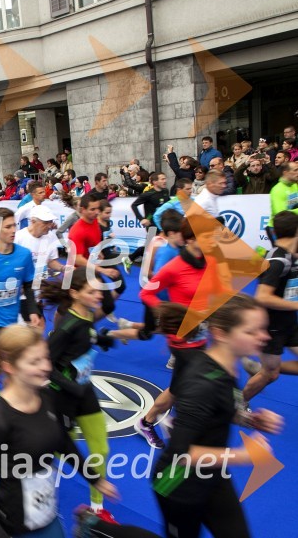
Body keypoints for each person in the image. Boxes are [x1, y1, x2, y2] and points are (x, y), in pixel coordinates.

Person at [0, 325, 120, 538]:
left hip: (48, 518)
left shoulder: (46, 396)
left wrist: (95, 479)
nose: (46, 367)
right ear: (9, 366)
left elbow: (62, 442)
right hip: (13, 528)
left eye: (45, 358)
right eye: (34, 362)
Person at [151, 296, 283, 538]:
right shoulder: (201, 383)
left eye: (263, 328)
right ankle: (97, 528)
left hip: (212, 472)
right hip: (176, 483)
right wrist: (244, 455)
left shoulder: (226, 365)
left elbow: (222, 407)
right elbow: (180, 454)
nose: (265, 337)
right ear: (221, 333)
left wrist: (249, 419)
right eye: (252, 331)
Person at [136, 215, 231, 447]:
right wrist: (170, 316)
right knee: (197, 382)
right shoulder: (174, 267)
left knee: (179, 387)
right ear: (190, 239)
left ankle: (148, 422)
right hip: (180, 339)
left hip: (201, 335)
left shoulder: (210, 263)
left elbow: (220, 295)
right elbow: (146, 293)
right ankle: (174, 423)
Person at [39, 272, 118, 521]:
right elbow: (45, 365)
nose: (99, 296)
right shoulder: (67, 326)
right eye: (92, 292)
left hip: (84, 392)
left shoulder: (86, 318)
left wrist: (103, 338)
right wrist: (69, 386)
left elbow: (87, 336)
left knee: (101, 449)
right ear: (75, 294)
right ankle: (37, 490)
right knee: (59, 450)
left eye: (99, 291)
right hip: (62, 397)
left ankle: (97, 507)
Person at [243, 210, 298, 399]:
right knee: (270, 374)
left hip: (288, 322)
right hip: (271, 326)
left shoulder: (291, 255)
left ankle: (259, 367)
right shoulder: (278, 260)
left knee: (270, 370)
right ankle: (236, 406)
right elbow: (262, 297)